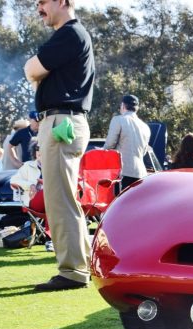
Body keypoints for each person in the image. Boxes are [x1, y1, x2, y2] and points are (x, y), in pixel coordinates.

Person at [24, 0, 95, 291]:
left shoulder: (70, 33)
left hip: (61, 123)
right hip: (60, 122)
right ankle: (80, 266)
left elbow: (31, 68)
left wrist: (35, 73)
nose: (38, 7)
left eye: (43, 1)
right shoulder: (72, 35)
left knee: (60, 199)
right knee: (64, 198)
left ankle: (73, 272)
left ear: (63, 1)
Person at [104, 94, 151, 193]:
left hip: (122, 173)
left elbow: (109, 145)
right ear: (136, 108)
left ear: (123, 106)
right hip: (141, 174)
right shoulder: (145, 127)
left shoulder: (118, 120)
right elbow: (144, 151)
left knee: (120, 204)